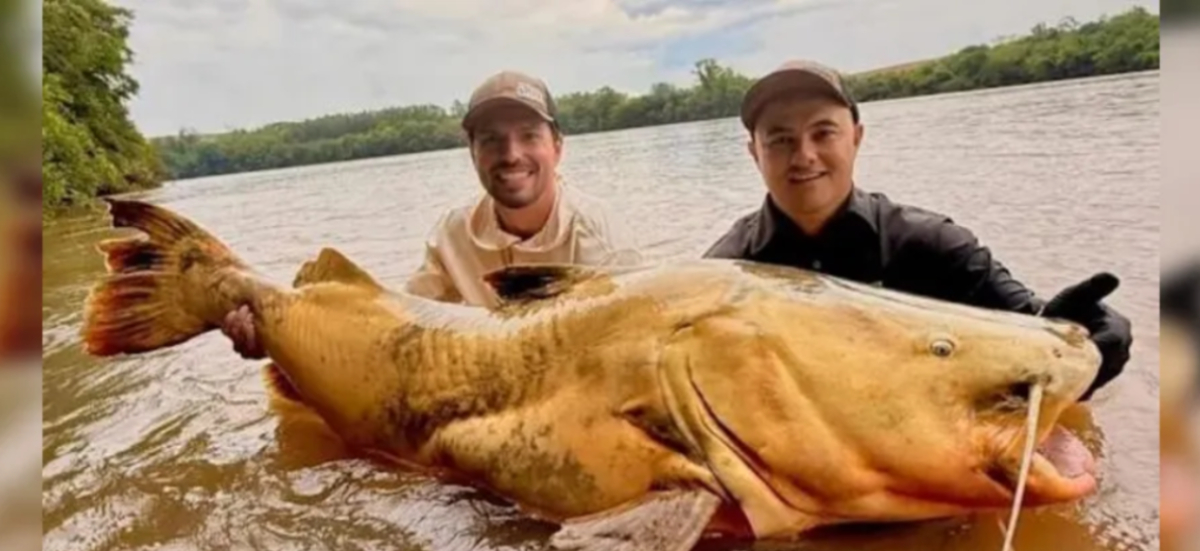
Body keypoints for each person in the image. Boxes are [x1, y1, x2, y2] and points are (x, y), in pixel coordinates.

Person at [704, 60, 1132, 400]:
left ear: (856, 137)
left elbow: (1027, 330)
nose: (804, 156)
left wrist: (1089, 341)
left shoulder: (932, 244)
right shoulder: (723, 276)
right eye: (780, 140)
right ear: (753, 153)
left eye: (823, 133)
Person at [221, 70, 642, 358]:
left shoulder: (602, 240)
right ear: (473, 153)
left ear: (558, 147)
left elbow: (624, 357)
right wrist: (282, 337)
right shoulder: (453, 232)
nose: (511, 155)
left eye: (529, 136)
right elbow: (397, 331)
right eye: (492, 141)